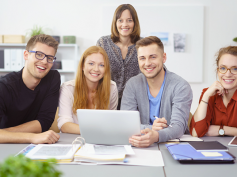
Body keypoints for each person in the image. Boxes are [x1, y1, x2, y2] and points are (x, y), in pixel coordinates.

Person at [121, 36, 193, 147]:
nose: (147, 63)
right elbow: (126, 124)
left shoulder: (181, 86)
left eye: (152, 57)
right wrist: (150, 128)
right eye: (142, 58)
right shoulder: (132, 85)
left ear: (163, 58)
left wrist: (156, 136)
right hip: (139, 147)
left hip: (173, 146)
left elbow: (178, 127)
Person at [0, 34, 60, 144]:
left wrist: (5, 133)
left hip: (34, 146)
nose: (44, 61)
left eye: (50, 58)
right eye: (39, 54)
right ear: (26, 55)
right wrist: (31, 137)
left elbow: (45, 121)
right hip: (6, 145)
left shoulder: (53, 78)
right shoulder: (4, 86)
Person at [57, 46, 118, 134]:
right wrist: (94, 131)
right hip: (74, 139)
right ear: (82, 66)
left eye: (101, 65)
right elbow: (64, 125)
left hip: (101, 140)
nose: (96, 69)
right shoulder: (68, 88)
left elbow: (112, 120)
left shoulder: (112, 87)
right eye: (91, 63)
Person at [97, 4, 141, 109]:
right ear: (115, 23)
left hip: (135, 101)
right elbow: (96, 69)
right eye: (120, 20)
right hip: (107, 98)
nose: (124, 24)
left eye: (129, 20)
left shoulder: (142, 44)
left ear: (135, 23)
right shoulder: (103, 43)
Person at [190, 46, 237, 137]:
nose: (227, 74)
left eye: (235, 69)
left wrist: (221, 130)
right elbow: (196, 132)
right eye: (223, 68)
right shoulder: (209, 94)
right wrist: (206, 95)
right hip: (213, 150)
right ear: (218, 71)